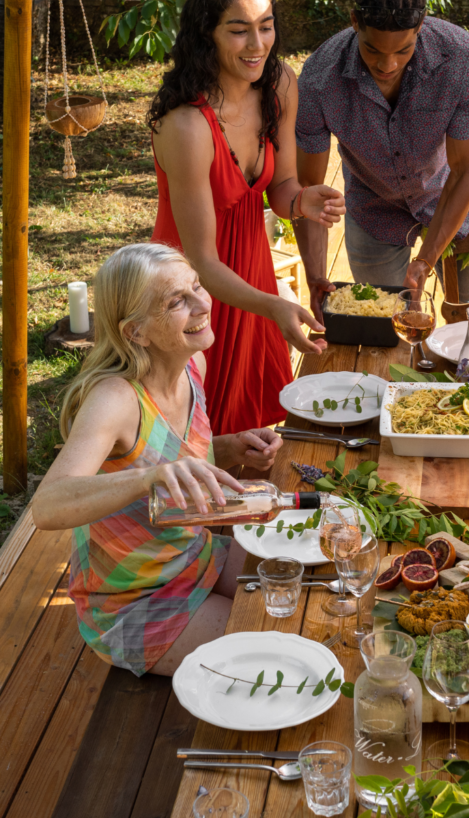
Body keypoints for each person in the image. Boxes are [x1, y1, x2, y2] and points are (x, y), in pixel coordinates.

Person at [32, 244, 282, 677]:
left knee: (296, 586)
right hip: (132, 603)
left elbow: (165, 452)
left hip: (195, 555)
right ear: (136, 333)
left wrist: (227, 446)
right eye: (176, 302)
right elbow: (48, 506)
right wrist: (149, 478)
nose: (203, 303)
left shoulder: (192, 363)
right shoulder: (115, 399)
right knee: (273, 650)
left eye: (197, 286)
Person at [149, 0, 344, 436]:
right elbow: (201, 261)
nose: (257, 45)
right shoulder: (187, 125)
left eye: (266, 25)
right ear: (207, 33)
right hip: (189, 291)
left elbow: (280, 186)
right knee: (195, 441)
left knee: (256, 438)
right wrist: (275, 304)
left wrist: (301, 202)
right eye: (239, 30)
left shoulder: (279, 87)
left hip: (250, 273)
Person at [293, 0, 469, 322]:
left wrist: (427, 259)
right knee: (384, 325)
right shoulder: (320, 79)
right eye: (372, 49)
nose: (387, 64)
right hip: (372, 210)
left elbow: (466, 171)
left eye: (403, 50)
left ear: (421, 25)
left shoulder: (463, 60)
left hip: (449, 196)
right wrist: (316, 274)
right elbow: (308, 190)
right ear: (354, 21)